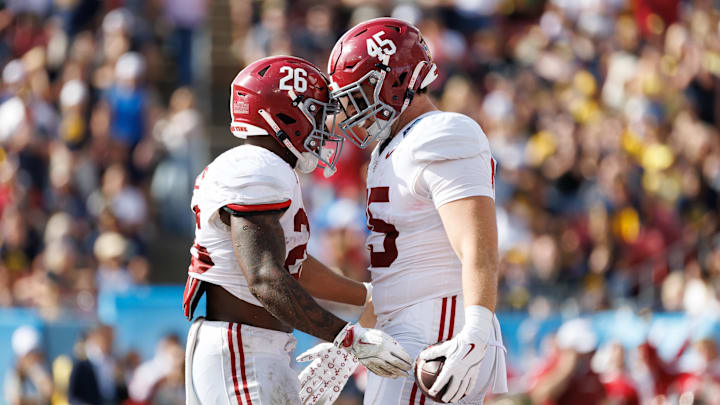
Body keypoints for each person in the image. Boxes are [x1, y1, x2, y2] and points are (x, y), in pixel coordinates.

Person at [182, 55, 412, 405]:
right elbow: (265, 278)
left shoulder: (263, 168)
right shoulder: (258, 167)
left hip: (246, 345)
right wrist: (347, 337)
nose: (324, 126)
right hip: (241, 348)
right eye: (317, 113)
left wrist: (365, 294)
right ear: (287, 114)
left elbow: (293, 268)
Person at [300, 18, 508, 404]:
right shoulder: (389, 148)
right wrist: (352, 343)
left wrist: (476, 331)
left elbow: (476, 245)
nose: (349, 113)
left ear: (394, 82)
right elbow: (399, 273)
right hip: (408, 325)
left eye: (358, 96)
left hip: (440, 325)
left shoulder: (442, 132)